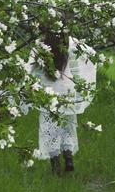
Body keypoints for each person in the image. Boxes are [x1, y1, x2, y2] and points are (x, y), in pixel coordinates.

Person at [31, 32, 97, 176]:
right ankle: (68, 159)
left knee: (50, 129)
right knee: (67, 125)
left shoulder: (41, 43)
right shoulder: (72, 42)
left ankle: (55, 166)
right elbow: (91, 53)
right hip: (67, 92)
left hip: (47, 93)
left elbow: (29, 67)